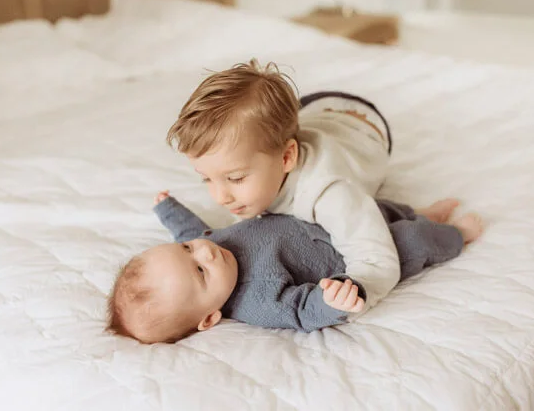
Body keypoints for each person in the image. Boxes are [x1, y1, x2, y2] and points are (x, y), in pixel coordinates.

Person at [166, 59, 401, 310]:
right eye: (206, 178)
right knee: (263, 125)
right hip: (311, 112)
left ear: (287, 157)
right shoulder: (251, 175)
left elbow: (377, 258)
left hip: (361, 123)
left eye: (235, 178)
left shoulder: (329, 192)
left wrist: (355, 288)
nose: (220, 197)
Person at [107, 191, 483, 344]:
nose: (205, 252)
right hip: (350, 253)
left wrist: (168, 210)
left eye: (187, 250)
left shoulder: (210, 243)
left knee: (372, 206)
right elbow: (302, 311)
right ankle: (455, 235)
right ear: (209, 318)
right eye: (200, 272)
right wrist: (334, 299)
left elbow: (191, 231)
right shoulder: (257, 301)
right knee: (412, 242)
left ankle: (419, 213)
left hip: (327, 219)